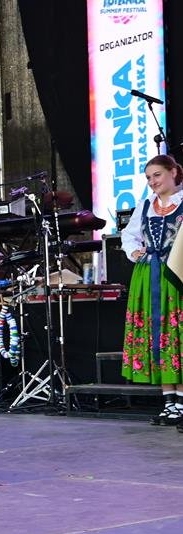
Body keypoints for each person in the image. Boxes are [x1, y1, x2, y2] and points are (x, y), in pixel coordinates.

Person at [120, 154, 183, 427]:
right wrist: (134, 251)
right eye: (148, 177)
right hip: (149, 275)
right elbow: (129, 235)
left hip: (176, 273)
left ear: (173, 172)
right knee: (159, 335)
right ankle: (170, 403)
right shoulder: (146, 205)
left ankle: (181, 403)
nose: (152, 181)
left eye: (157, 175)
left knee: (176, 334)